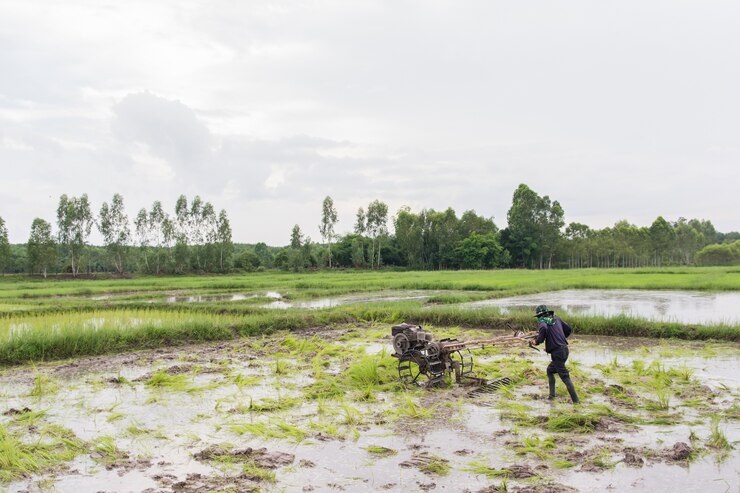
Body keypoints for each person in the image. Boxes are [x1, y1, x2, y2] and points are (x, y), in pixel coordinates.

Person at [529, 304, 580, 403]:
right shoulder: (556, 319)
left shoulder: (543, 322)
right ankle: (552, 396)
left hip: (557, 353)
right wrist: (559, 339)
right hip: (564, 350)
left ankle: (576, 402)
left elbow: (543, 328)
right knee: (550, 370)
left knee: (565, 376)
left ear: (540, 315)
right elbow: (569, 330)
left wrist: (536, 341)